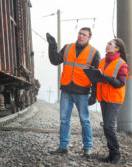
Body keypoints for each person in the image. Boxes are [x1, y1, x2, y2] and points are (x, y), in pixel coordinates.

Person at [46, 27, 100, 156]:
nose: (81, 36)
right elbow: (55, 61)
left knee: (85, 120)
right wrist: (52, 45)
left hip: (82, 92)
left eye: (84, 35)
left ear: (89, 38)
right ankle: (63, 147)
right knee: (64, 120)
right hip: (66, 91)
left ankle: (87, 148)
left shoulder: (94, 52)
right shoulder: (68, 47)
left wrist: (94, 94)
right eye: (80, 33)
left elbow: (95, 76)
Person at [97, 38, 129, 164]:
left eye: (110, 44)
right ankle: (111, 155)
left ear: (117, 48)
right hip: (103, 97)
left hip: (114, 99)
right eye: (107, 43)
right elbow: (98, 79)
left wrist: (106, 77)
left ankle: (116, 155)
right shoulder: (103, 61)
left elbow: (120, 83)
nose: (107, 45)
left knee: (109, 126)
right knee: (106, 126)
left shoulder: (122, 64)